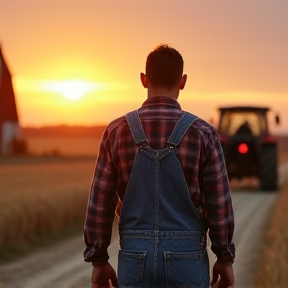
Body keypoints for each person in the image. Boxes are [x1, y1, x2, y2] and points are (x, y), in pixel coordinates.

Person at [83, 44, 235, 288]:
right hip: (188, 259)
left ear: (144, 79)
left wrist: (98, 259)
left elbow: (100, 203)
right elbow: (219, 204)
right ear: (183, 81)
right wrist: (224, 258)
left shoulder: (116, 132)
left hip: (134, 258)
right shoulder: (204, 134)